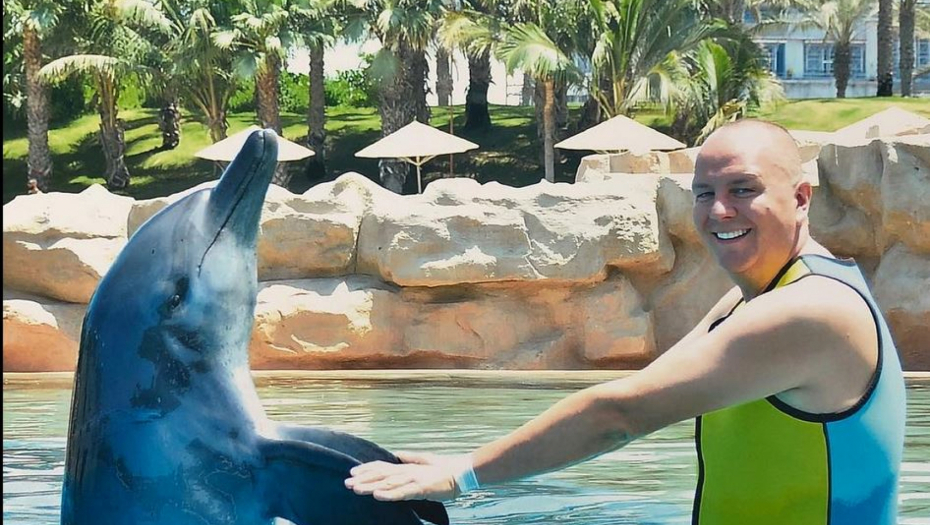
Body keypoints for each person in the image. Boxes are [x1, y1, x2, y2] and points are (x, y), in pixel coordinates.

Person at [344, 120, 906, 524]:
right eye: (704, 193)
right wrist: (460, 462)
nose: (719, 211)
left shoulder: (807, 310)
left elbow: (621, 414)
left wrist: (463, 475)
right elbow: (642, 390)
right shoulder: (754, 299)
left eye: (743, 190)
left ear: (801, 198)